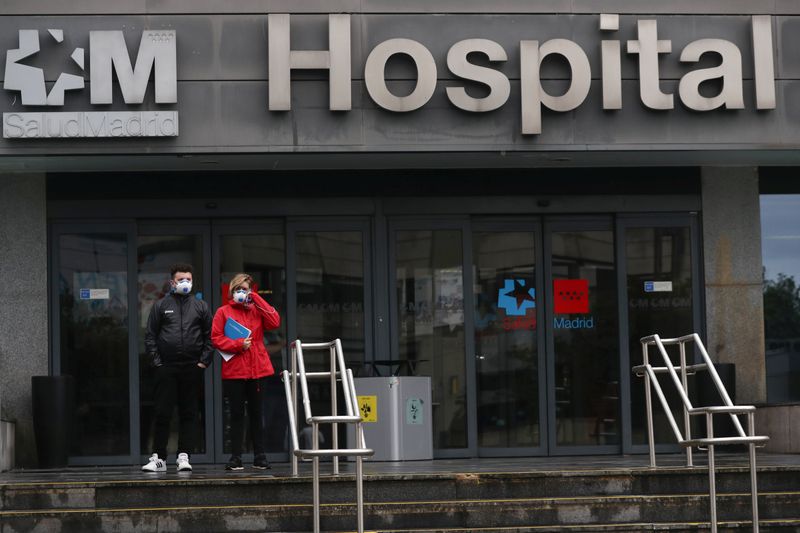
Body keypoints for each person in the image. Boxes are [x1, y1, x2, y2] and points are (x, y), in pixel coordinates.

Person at [142, 263, 213, 472]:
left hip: (192, 367)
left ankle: (184, 456)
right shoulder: (161, 305)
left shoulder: (201, 306)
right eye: (181, 279)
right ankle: (159, 458)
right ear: (172, 282)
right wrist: (157, 363)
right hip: (166, 368)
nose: (185, 283)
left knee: (189, 412)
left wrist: (203, 362)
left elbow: (211, 337)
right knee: (163, 412)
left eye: (188, 279)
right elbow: (150, 336)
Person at [212, 273, 281, 471]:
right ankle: (236, 456)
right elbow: (216, 338)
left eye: (245, 289)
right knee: (236, 414)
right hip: (235, 370)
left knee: (257, 413)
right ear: (232, 291)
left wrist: (256, 298)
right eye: (238, 289)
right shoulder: (223, 312)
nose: (241, 293)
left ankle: (260, 455)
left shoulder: (256, 310)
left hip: (257, 369)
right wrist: (237, 344)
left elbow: (274, 321)